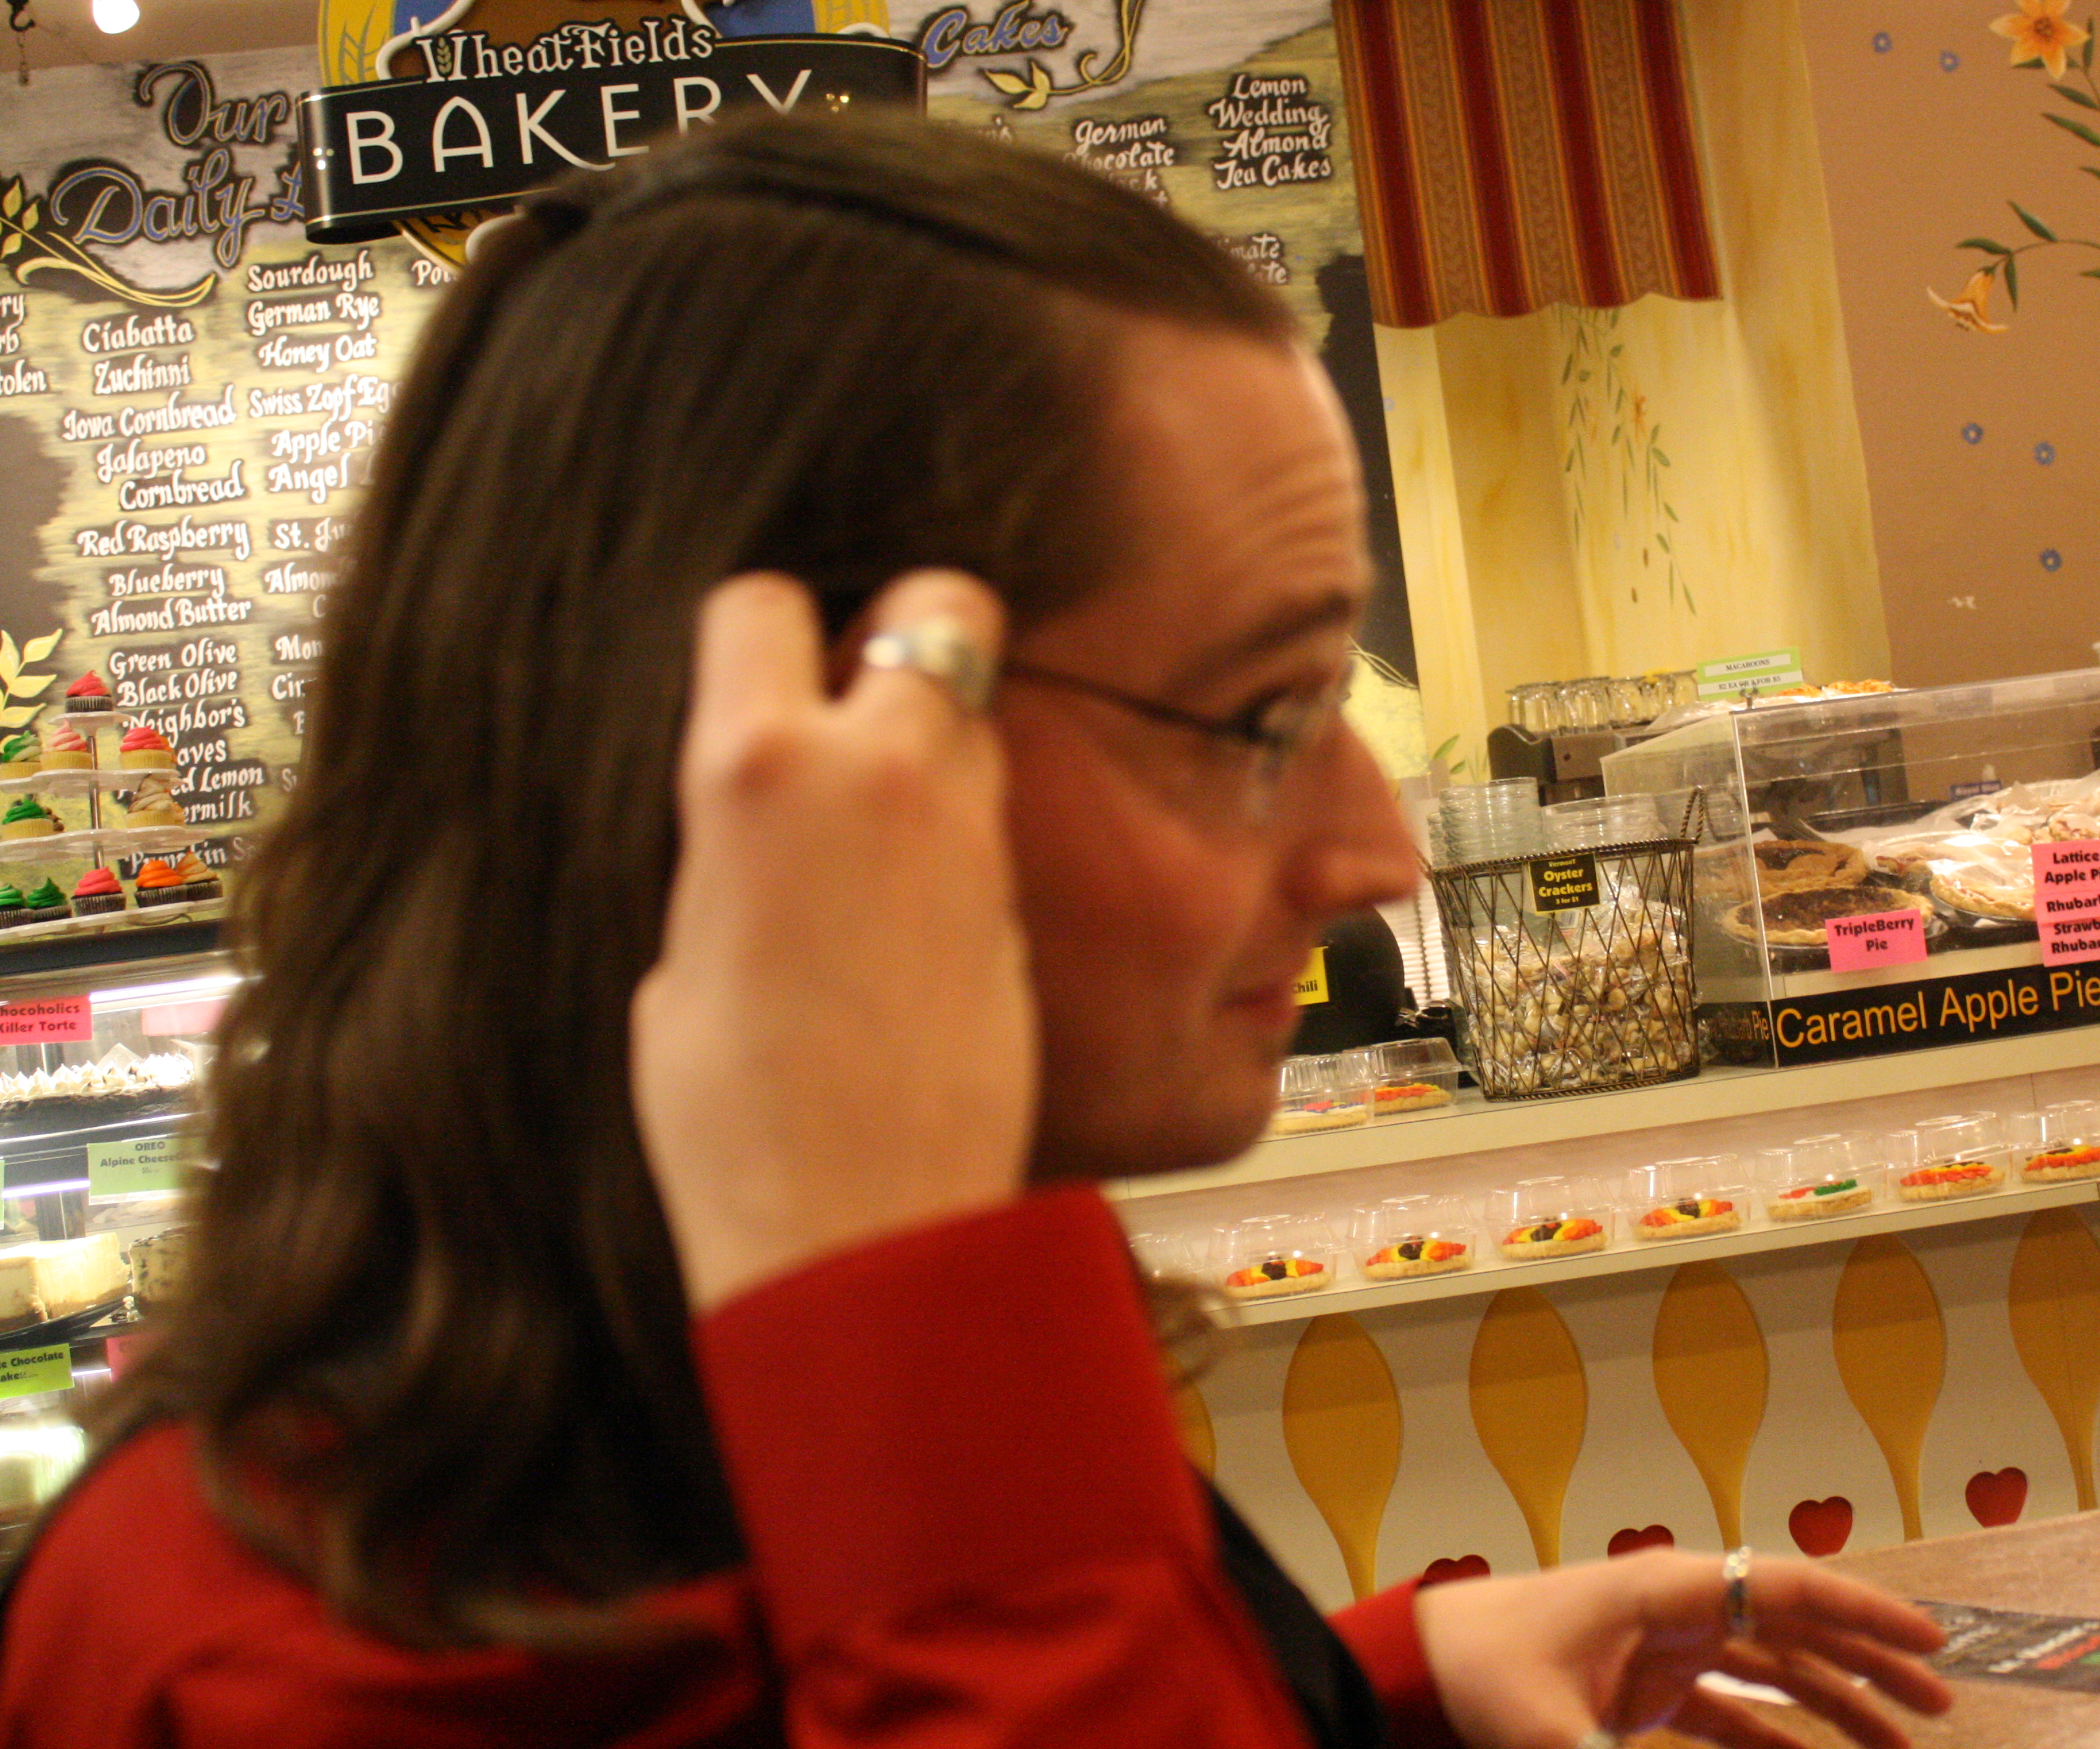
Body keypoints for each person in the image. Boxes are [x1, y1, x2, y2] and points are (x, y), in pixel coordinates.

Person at [0, 112, 1951, 1748]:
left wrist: (1358, 1687)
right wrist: (914, 1309)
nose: (1375, 856)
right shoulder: (277, 1670)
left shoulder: (650, 1416)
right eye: (1263, 715)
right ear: (781, 765)